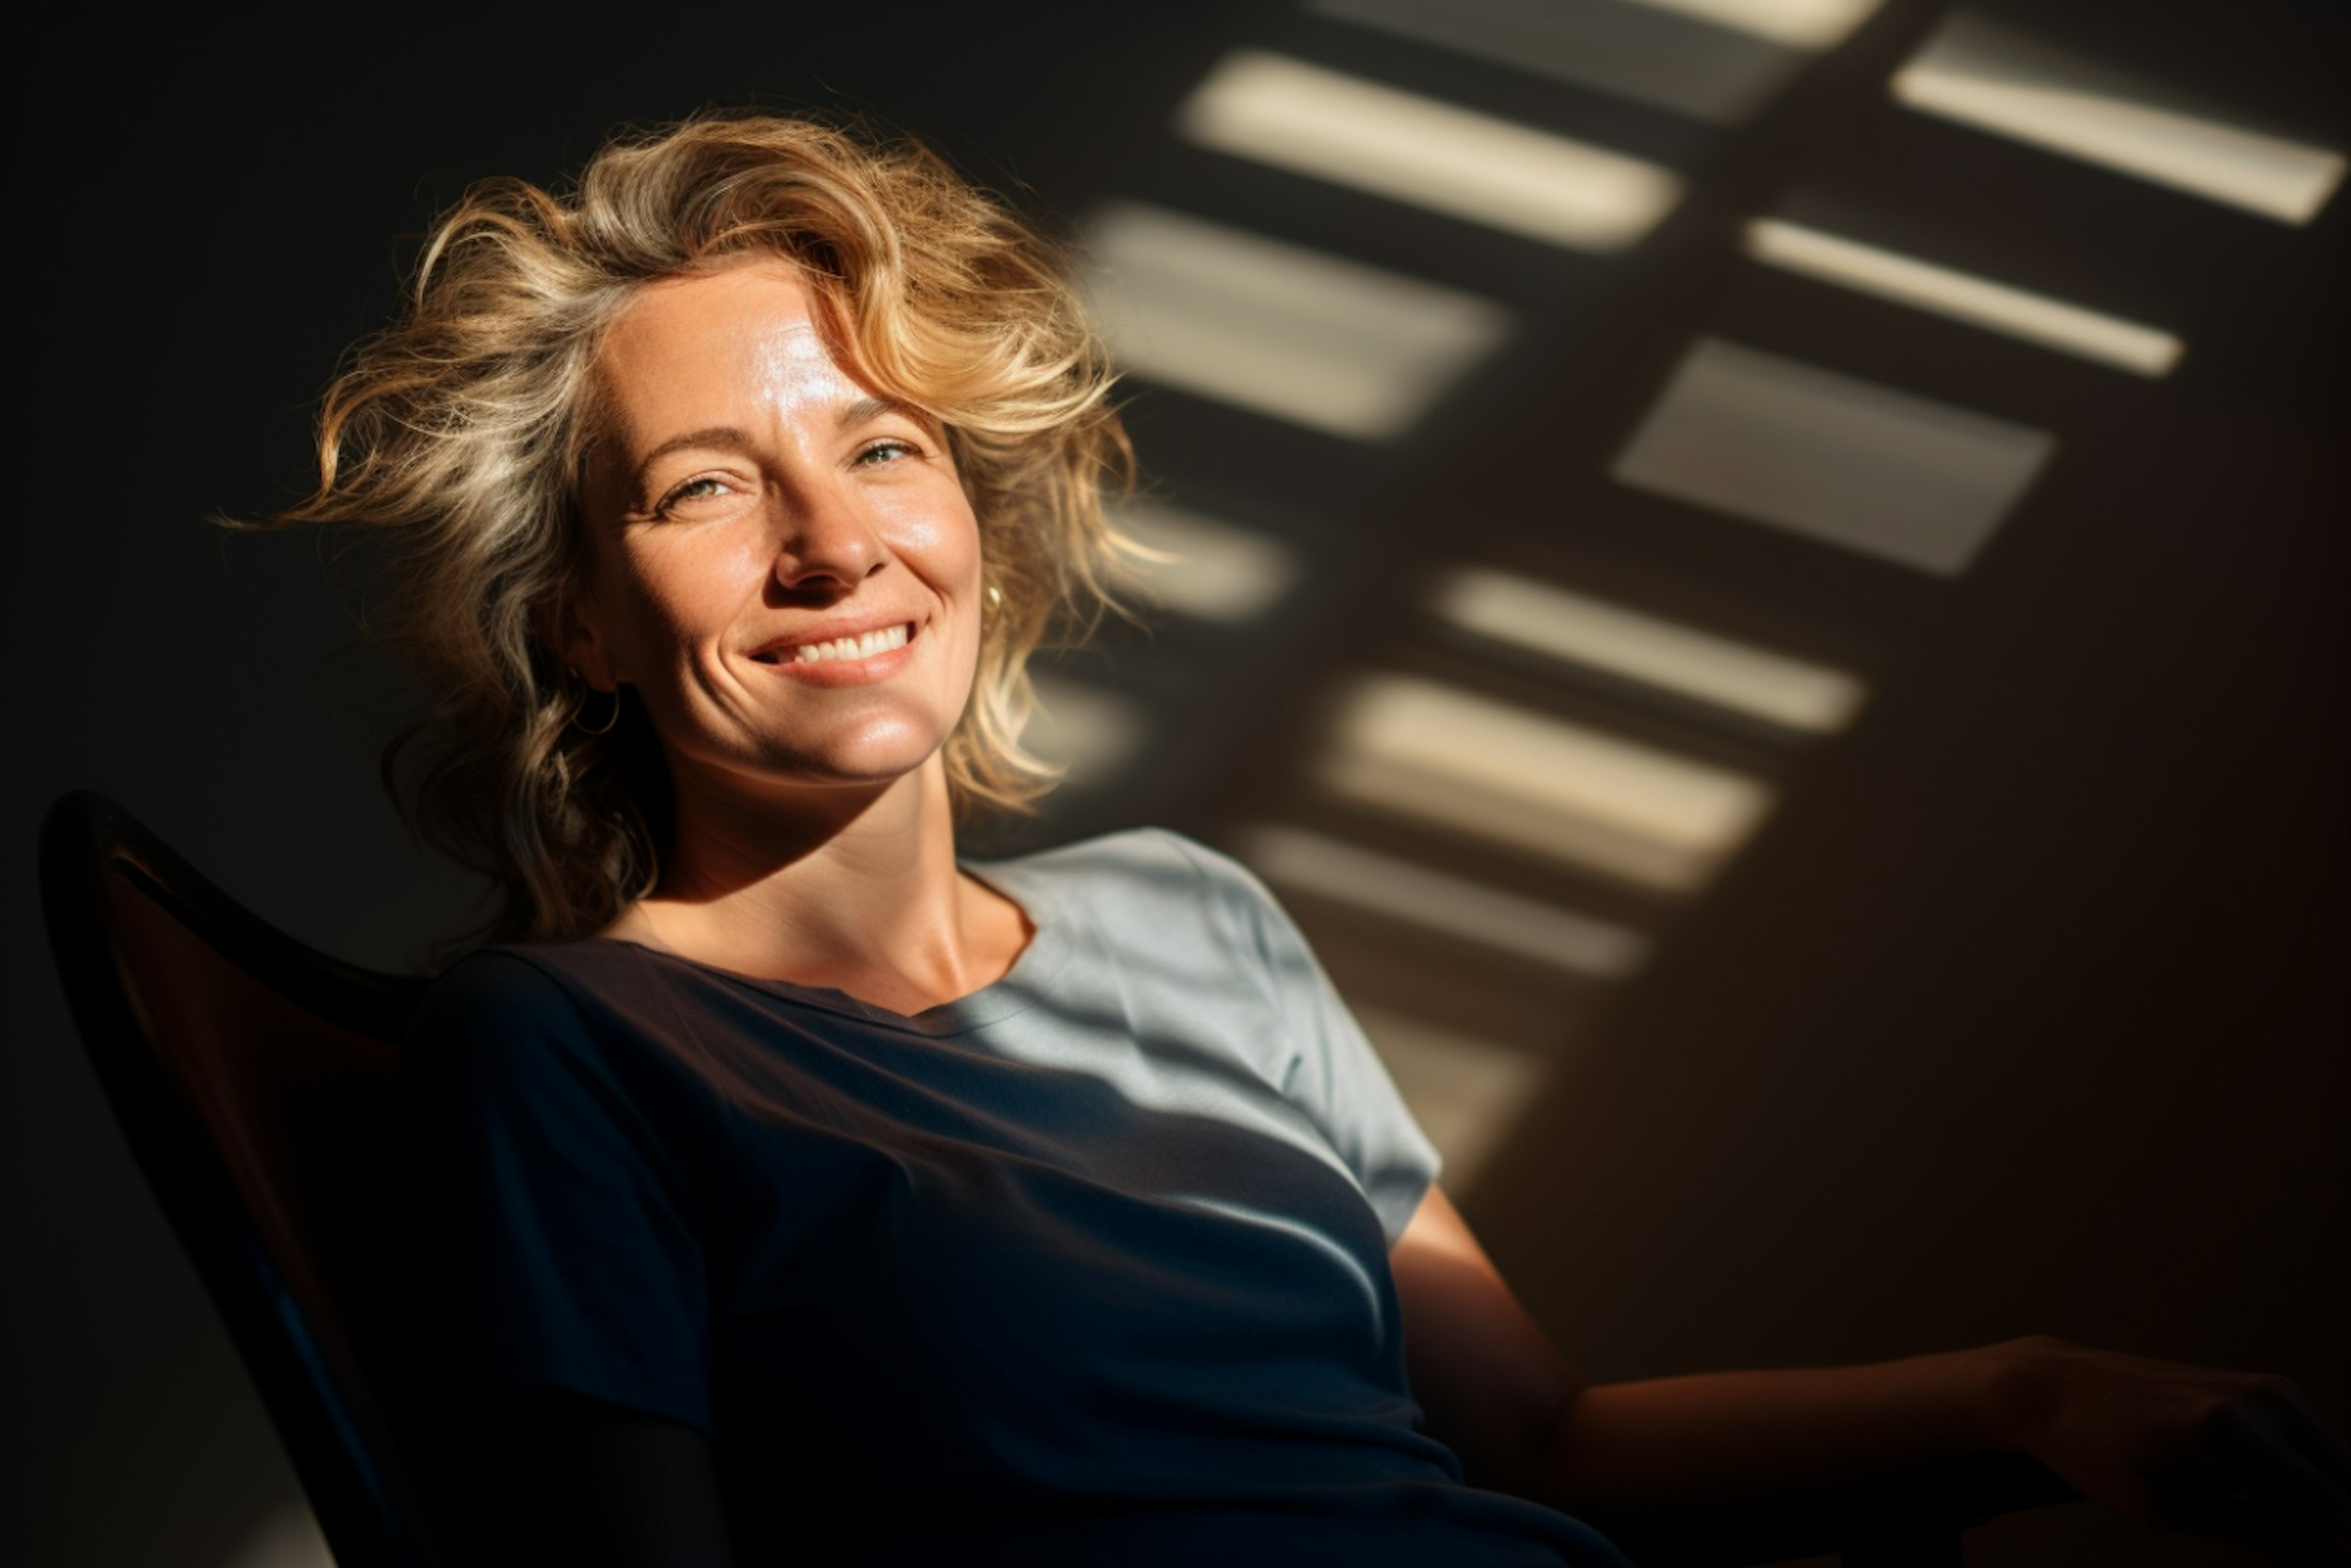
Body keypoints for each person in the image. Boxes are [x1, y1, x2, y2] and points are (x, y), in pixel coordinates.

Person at [272, 114, 2351, 1565]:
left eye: (884, 445)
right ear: (579, 620)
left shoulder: (1197, 924)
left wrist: (2025, 1391)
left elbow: (1538, 1445)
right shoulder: (566, 1049)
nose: (834, 543)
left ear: (973, 512)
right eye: (705, 489)